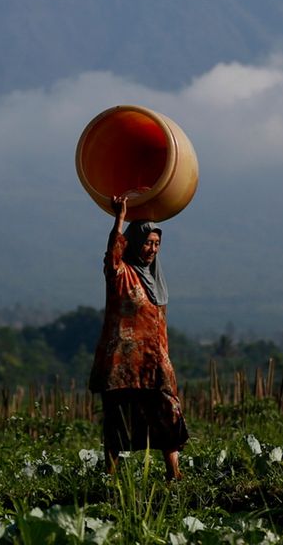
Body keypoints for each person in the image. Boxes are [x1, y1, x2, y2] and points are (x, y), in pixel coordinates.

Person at [89, 194, 189, 480]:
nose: (152, 249)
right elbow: (112, 257)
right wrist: (119, 218)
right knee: (117, 421)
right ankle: (111, 476)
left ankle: (174, 474)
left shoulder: (157, 281)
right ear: (134, 242)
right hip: (122, 365)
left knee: (167, 412)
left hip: (153, 362)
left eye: (157, 244)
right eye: (147, 242)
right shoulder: (122, 275)